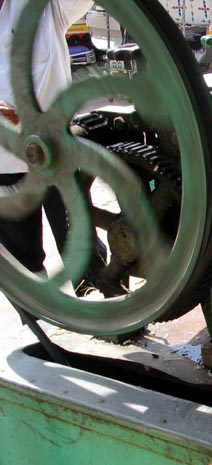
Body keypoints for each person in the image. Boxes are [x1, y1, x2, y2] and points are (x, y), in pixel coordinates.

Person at [0, 0, 93, 273]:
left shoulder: (43, 7)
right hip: (5, 162)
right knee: (25, 265)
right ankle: (33, 317)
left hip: (56, 152)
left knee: (83, 254)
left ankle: (99, 303)